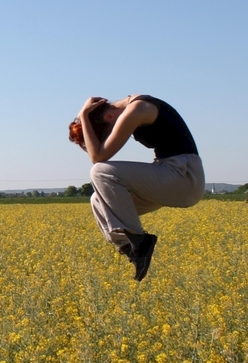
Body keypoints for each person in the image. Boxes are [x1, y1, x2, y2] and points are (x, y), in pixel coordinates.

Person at [69, 95, 204, 281]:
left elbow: (98, 157)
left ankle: (140, 241)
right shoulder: (131, 108)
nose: (112, 135)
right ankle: (131, 248)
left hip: (184, 176)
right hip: (171, 179)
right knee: (97, 200)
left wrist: (84, 115)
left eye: (107, 133)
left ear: (109, 117)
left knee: (100, 171)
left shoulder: (138, 108)